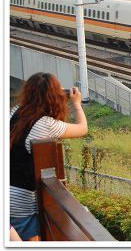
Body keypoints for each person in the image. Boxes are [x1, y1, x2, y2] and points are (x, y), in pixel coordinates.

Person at [9, 73, 88, 241]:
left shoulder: (15, 112)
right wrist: (76, 104)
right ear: (54, 96)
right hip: (20, 203)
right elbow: (82, 129)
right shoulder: (46, 124)